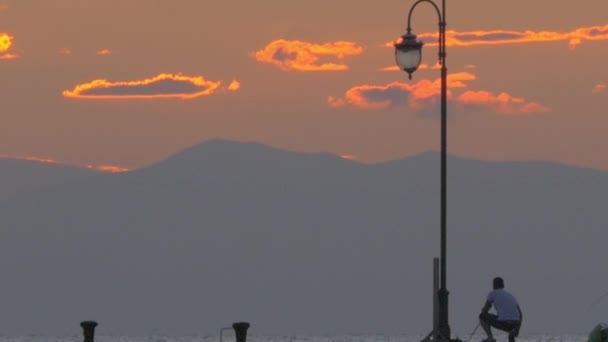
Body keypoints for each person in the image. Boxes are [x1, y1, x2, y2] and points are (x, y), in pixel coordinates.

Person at [479, 277, 523, 342]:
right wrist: (518, 329)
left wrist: (483, 309)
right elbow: (520, 314)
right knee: (511, 330)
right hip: (515, 324)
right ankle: (512, 335)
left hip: (504, 323)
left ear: (493, 285)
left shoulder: (492, 293)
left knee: (482, 316)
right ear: (503, 285)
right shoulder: (510, 296)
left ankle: (490, 338)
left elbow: (485, 310)